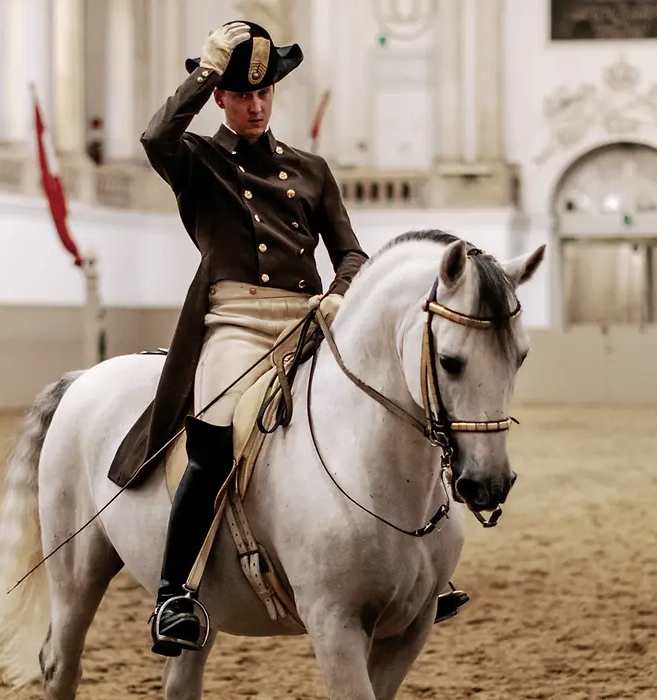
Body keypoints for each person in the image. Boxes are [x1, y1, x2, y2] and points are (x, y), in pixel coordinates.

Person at [115, 19, 465, 657]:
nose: (254, 105)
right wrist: (205, 69)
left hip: (311, 321)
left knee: (390, 413)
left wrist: (340, 291)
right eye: (240, 93)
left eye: (264, 92)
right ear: (220, 96)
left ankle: (423, 567)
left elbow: (351, 252)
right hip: (238, 327)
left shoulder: (311, 169)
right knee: (217, 439)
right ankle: (174, 593)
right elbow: (155, 135)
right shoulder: (198, 162)